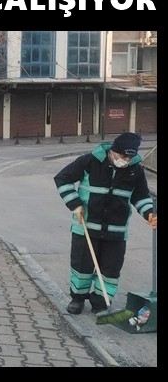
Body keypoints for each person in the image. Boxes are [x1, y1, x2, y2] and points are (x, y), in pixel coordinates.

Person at [54, 132, 157, 315]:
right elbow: (62, 178)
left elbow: (141, 195)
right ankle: (77, 298)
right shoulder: (90, 161)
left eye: (129, 158)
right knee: (82, 266)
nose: (125, 161)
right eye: (122, 156)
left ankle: (101, 302)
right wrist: (75, 204)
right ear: (113, 151)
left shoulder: (135, 170)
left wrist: (149, 213)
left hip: (116, 231)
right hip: (86, 226)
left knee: (110, 270)